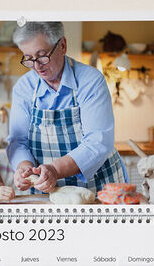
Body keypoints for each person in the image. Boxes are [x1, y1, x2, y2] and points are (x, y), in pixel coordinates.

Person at [7, 21, 127, 194]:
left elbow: (97, 142)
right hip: (47, 189)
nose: (36, 66)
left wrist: (54, 170)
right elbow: (18, 141)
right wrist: (24, 168)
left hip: (99, 186)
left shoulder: (90, 81)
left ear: (62, 45)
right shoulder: (24, 88)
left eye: (42, 55)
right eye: (29, 58)